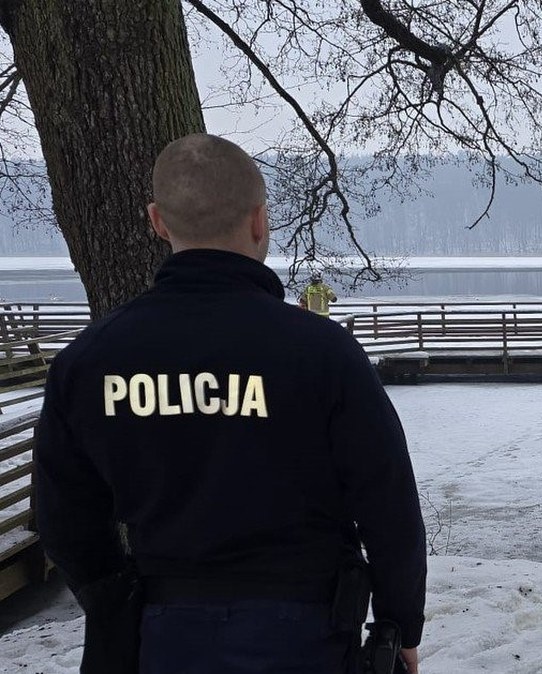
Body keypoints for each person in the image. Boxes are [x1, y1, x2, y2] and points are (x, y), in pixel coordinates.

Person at [33, 133, 427, 674]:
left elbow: (62, 514)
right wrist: (398, 623)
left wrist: (113, 599)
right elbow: (388, 504)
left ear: (158, 221)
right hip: (306, 636)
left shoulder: (91, 361)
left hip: (159, 633)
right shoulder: (321, 353)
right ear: (260, 220)